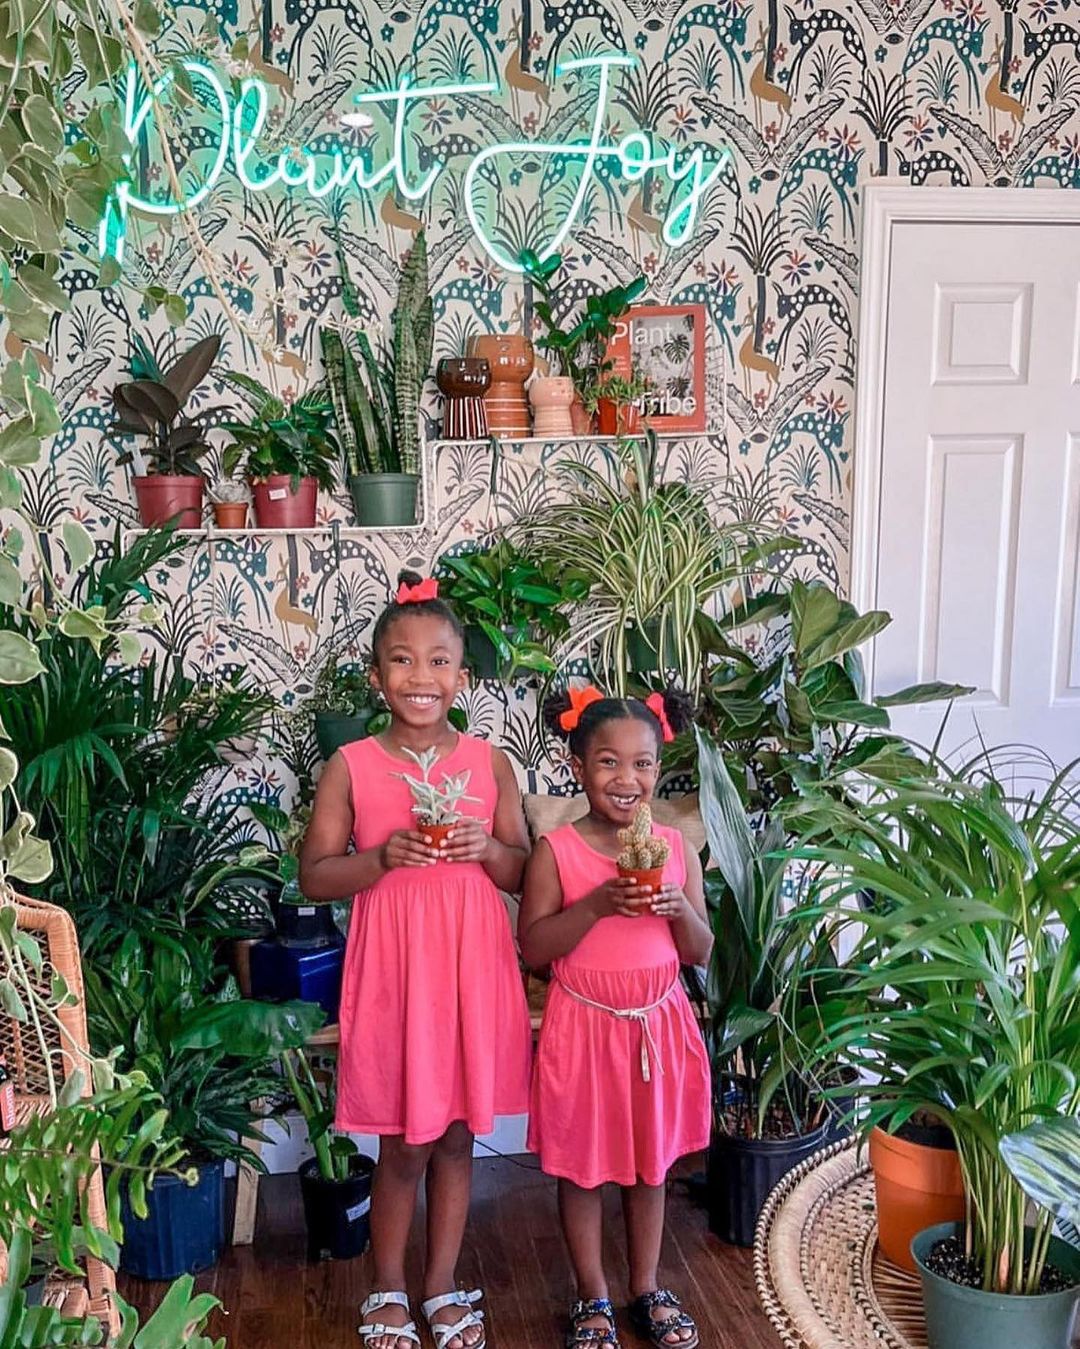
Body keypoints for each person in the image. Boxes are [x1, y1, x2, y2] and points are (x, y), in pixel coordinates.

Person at [300, 571, 532, 1349]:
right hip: (399, 977)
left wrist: (487, 847)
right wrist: (381, 857)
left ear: (462, 678)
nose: (420, 675)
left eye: (438, 660)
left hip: (472, 971)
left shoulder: (490, 763)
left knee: (459, 1134)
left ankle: (440, 1284)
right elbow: (314, 875)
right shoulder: (352, 764)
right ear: (376, 676)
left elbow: (522, 871)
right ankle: (388, 1285)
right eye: (402, 660)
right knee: (404, 1139)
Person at [519, 688, 713, 1349]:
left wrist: (676, 908)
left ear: (658, 769)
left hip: (655, 1026)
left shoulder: (675, 848)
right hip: (585, 1028)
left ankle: (646, 1284)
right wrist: (597, 904)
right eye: (608, 762)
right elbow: (534, 948)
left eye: (642, 763)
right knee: (582, 1166)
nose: (626, 778)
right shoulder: (557, 851)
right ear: (577, 766)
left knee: (650, 1163)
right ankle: (591, 1290)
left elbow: (700, 949)